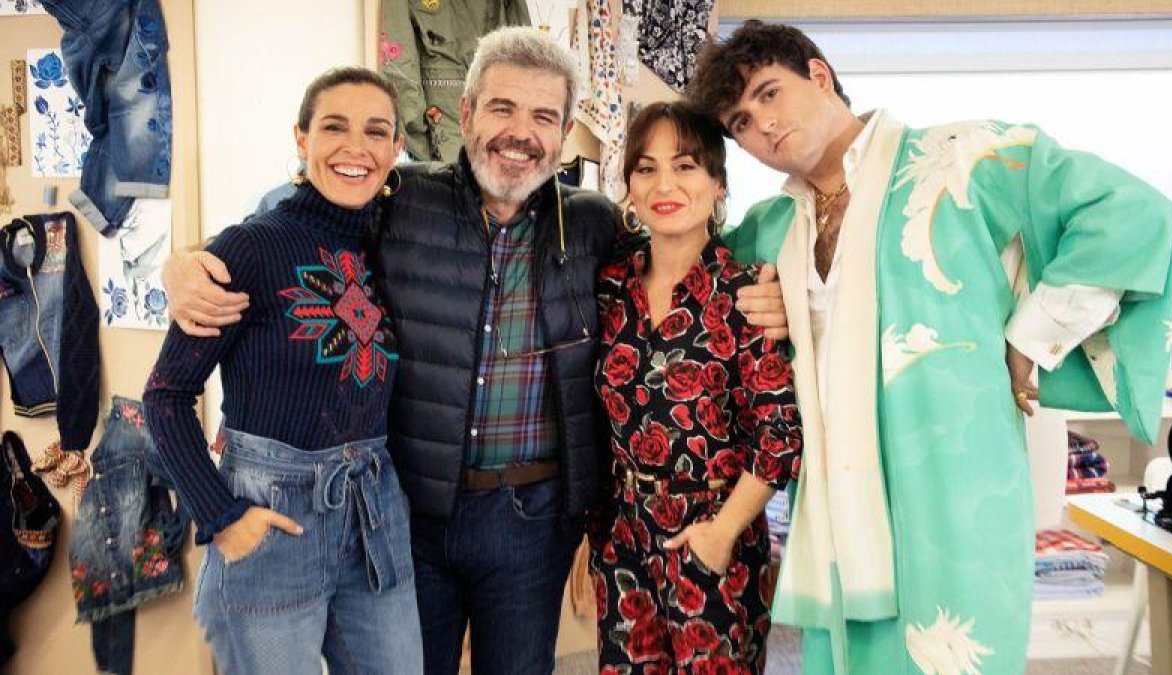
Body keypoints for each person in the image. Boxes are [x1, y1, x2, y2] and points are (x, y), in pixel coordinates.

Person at [161, 27, 790, 675]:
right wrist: (188, 261)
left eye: (543, 116)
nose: (521, 132)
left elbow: (681, 244)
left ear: (564, 128)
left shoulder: (596, 223)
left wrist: (770, 282)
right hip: (412, 516)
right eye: (502, 108)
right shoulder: (401, 201)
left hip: (534, 522)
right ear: (465, 113)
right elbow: (301, 219)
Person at [686, 20, 1172, 675]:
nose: (762, 126)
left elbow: (1134, 213)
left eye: (770, 94)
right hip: (837, 514)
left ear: (820, 75)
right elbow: (692, 283)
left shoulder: (964, 158)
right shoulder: (771, 230)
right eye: (742, 122)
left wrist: (1030, 337)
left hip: (955, 498)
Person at [143, 67, 422, 674]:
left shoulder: (393, 242)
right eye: (334, 127)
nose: (356, 148)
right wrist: (220, 518)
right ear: (301, 138)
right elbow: (166, 397)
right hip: (272, 519)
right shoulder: (251, 248)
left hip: (374, 511)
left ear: (396, 148)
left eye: (376, 132)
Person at [589, 101, 802, 673]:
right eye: (646, 168)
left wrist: (723, 533)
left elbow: (780, 437)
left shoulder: (746, 291)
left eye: (684, 166)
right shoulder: (610, 285)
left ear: (717, 182)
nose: (664, 184)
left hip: (713, 534)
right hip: (622, 530)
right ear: (628, 184)